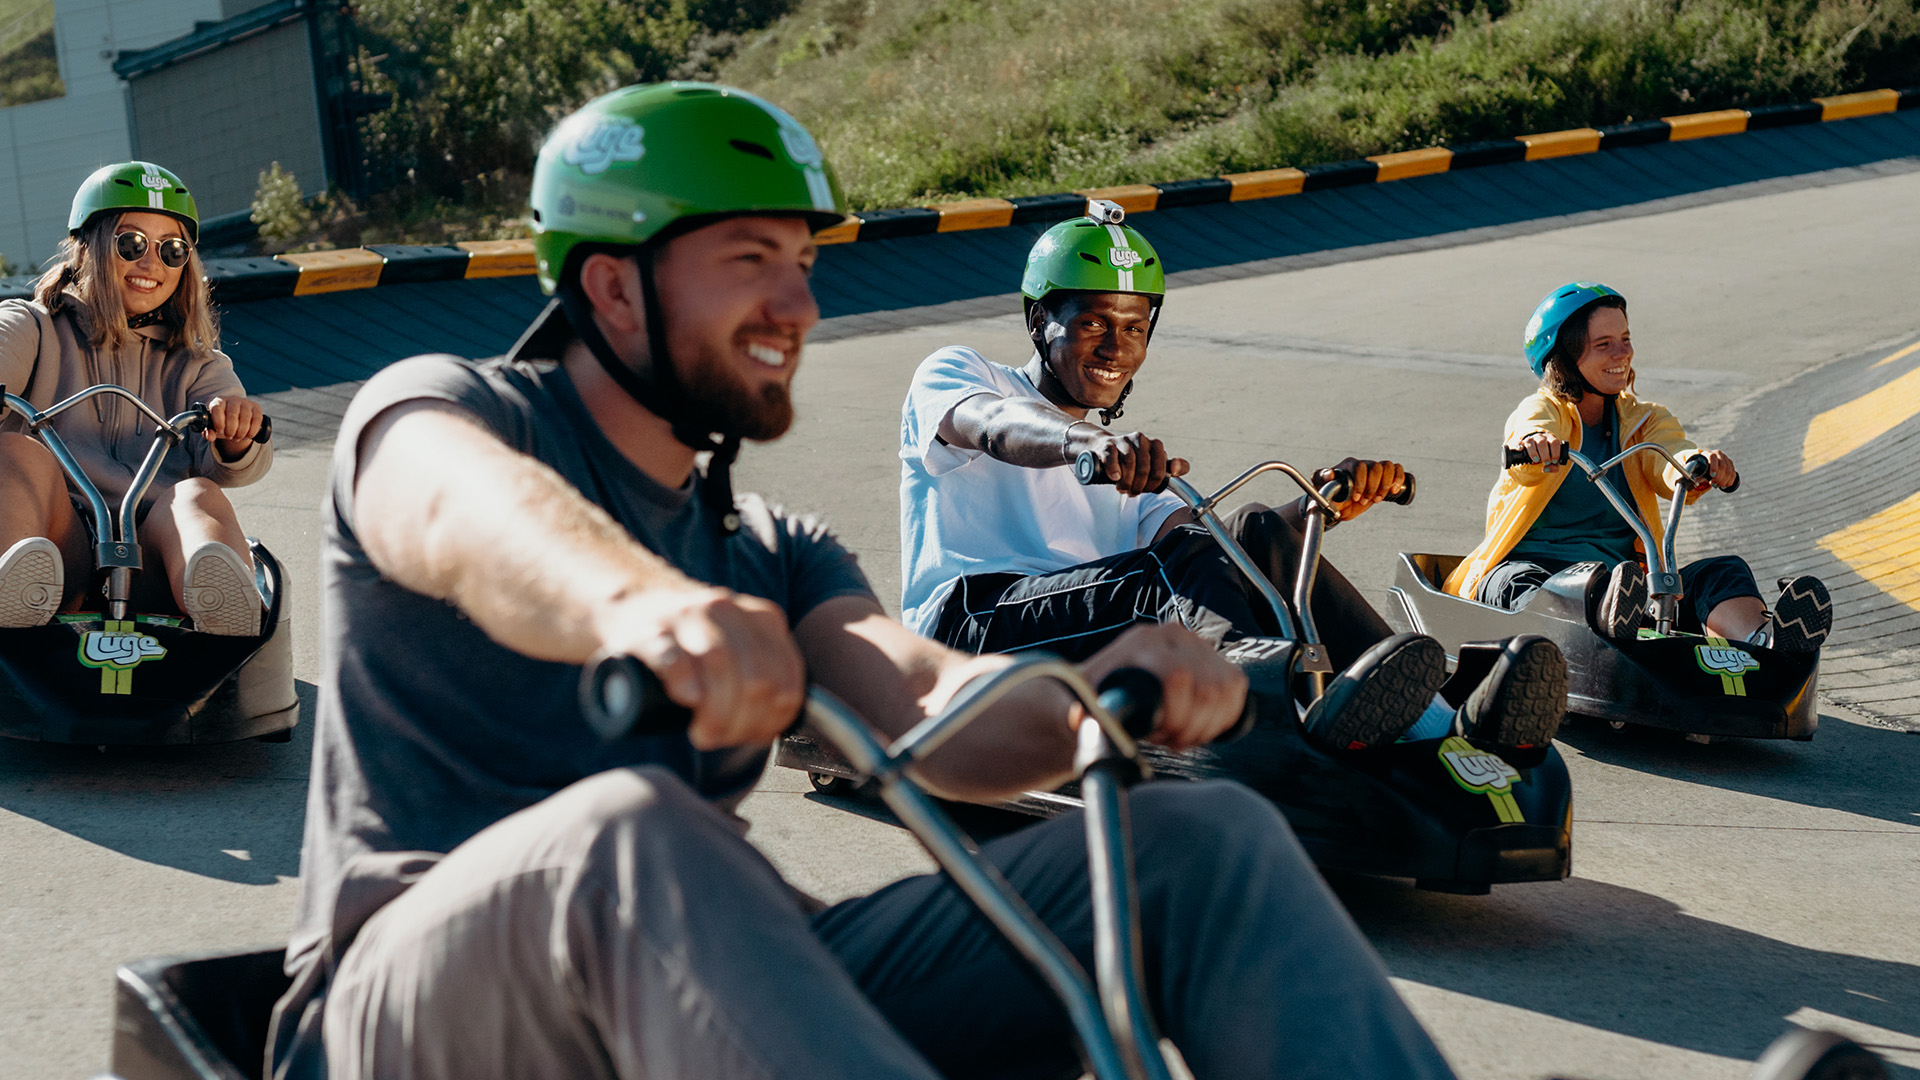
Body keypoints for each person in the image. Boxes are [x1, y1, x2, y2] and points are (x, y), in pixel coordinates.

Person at [268, 83, 1457, 1080]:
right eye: (752, 260)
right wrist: (638, 604)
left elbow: (928, 702)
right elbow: (463, 510)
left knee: (1199, 842)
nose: (799, 304)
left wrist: (1096, 701)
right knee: (635, 828)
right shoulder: (443, 412)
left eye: (801, 263)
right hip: (402, 1007)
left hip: (699, 951)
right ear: (615, 286)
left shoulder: (770, 549)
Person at [898, 205, 1567, 753]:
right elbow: (994, 425)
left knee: (1250, 532)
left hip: (1084, 625)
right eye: (1093, 323)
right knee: (1175, 570)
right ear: (1040, 321)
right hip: (971, 627)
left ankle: (1445, 721)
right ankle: (1266, 700)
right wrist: (1087, 442)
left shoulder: (1134, 463)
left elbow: (1219, 555)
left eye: (1133, 328)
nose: (1114, 347)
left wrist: (1320, 506)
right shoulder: (964, 374)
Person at [1444, 281, 1832, 651]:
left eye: (1625, 339)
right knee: (1517, 583)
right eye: (1603, 344)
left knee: (1722, 572)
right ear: (1565, 357)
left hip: (1623, 586)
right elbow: (1529, 432)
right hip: (1535, 569)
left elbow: (1668, 455)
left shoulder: (1645, 420)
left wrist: (1694, 466)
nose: (1622, 354)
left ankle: (1763, 643)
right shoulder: (1544, 410)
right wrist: (1535, 444)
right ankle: (1585, 635)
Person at [0, 161, 270, 635]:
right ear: (87, 247)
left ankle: (220, 607)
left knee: (197, 495)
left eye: (172, 250)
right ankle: (12, 590)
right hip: (58, 550)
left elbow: (236, 465)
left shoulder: (197, 363)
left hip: (154, 557)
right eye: (132, 244)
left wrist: (237, 433)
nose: (151, 264)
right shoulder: (32, 327)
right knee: (17, 453)